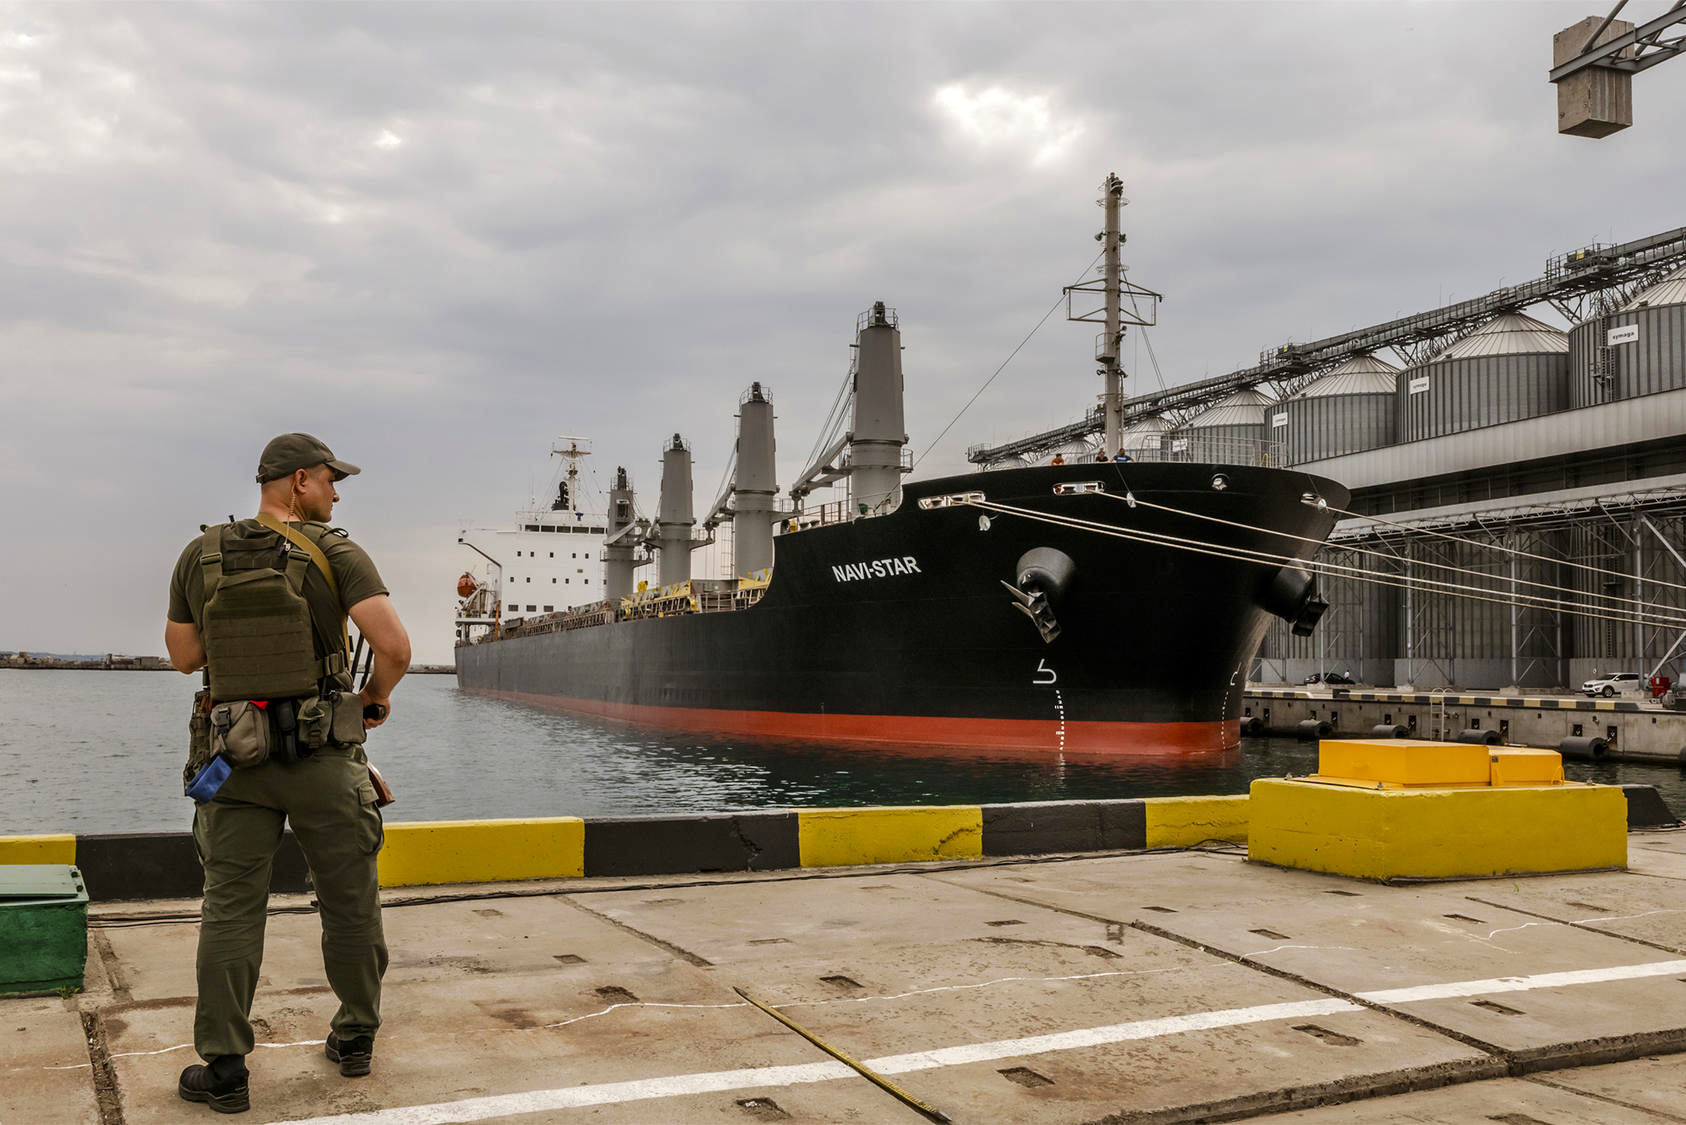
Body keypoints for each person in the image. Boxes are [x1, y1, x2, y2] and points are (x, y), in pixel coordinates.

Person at [164, 433, 411, 1114]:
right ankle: (355, 1038)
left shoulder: (202, 552)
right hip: (324, 758)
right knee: (349, 897)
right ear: (298, 480)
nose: (336, 492)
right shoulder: (336, 551)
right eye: (331, 480)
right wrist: (371, 700)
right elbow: (393, 645)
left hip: (233, 759)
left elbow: (184, 655)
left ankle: (225, 1070)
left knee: (232, 907)